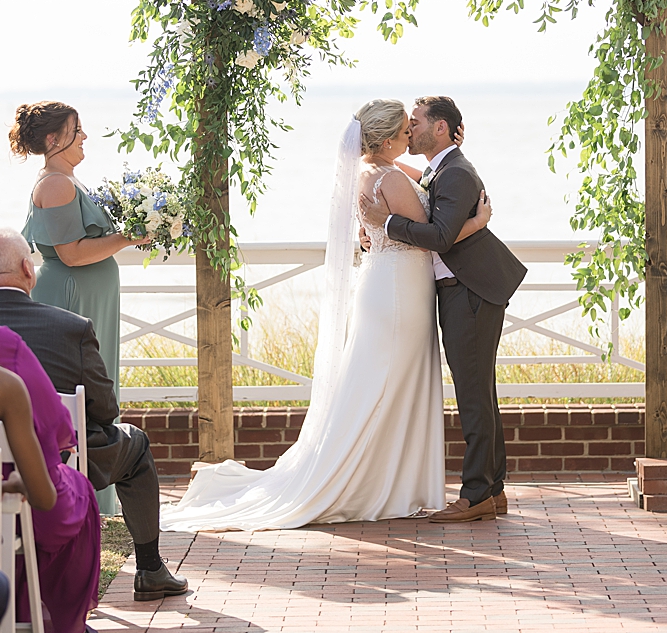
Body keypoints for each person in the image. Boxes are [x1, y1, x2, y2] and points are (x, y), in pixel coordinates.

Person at [162, 99, 500, 531]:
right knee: (387, 384)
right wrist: (476, 223)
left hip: (387, 285)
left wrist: (443, 158)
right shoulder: (390, 178)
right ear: (385, 139)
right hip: (399, 294)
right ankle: (374, 480)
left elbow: (426, 192)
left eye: (413, 128)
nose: (409, 135)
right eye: (403, 131)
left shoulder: (370, 172)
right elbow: (436, 237)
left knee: (382, 384)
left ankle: (388, 478)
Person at [0, 227, 185, 604]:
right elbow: (105, 409)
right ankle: (150, 569)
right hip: (57, 466)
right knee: (135, 444)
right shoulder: (70, 327)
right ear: (27, 269)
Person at [365, 95, 526, 522]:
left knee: (473, 396)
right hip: (460, 289)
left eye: (415, 122)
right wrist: (378, 159)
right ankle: (493, 489)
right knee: (480, 392)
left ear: (439, 128)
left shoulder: (456, 172)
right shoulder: (444, 167)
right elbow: (422, 184)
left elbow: (439, 235)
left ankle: (475, 496)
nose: (410, 129)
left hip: (470, 290)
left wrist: (385, 222)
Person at [12, 102, 146, 515]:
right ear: (54, 139)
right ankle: (85, 491)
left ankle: (95, 491)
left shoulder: (66, 179)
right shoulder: (55, 184)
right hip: (73, 293)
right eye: (77, 129)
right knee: (83, 387)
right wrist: (129, 237)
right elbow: (70, 254)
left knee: (95, 381)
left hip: (89, 291)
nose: (85, 136)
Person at [0, 228, 106, 633]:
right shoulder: (8, 354)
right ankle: (62, 629)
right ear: (29, 268)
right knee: (73, 489)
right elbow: (61, 430)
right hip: (17, 498)